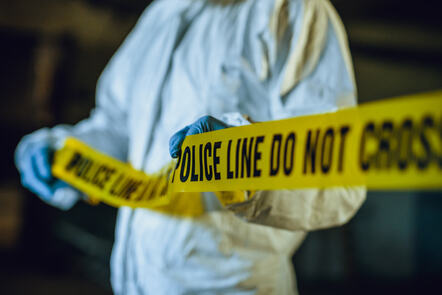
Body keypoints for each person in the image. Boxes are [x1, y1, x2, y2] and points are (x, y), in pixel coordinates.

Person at [15, 0, 366, 294]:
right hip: (134, 281)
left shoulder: (291, 12)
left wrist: (248, 161)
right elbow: (120, 127)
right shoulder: (162, 13)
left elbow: (338, 176)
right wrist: (68, 152)